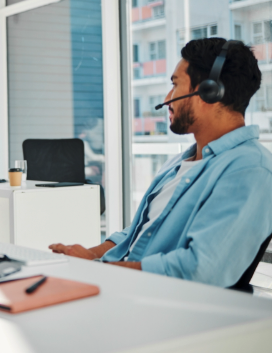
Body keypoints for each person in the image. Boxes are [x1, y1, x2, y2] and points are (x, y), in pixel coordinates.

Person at [50, 38, 272, 288]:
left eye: (175, 85)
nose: (168, 98)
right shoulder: (181, 161)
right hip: (119, 285)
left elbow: (201, 268)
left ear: (209, 91)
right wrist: (91, 255)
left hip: (155, 303)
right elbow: (140, 231)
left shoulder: (251, 169)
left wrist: (100, 271)